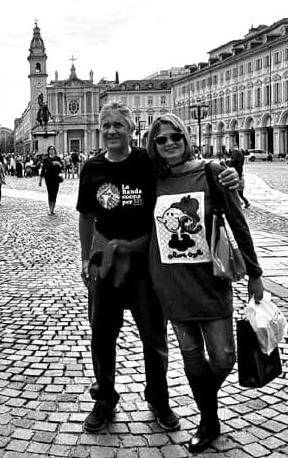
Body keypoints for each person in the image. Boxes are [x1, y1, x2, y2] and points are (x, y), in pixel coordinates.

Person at [77, 102, 239, 435]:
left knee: (154, 338)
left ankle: (159, 398)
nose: (111, 131)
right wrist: (84, 257)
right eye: (106, 125)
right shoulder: (91, 168)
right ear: (99, 129)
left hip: (146, 263)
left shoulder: (148, 164)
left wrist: (228, 174)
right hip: (105, 263)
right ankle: (105, 397)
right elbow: (86, 216)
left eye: (118, 125)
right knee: (102, 336)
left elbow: (187, 176)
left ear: (132, 130)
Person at [146, 113, 264, 453]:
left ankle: (205, 406)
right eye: (160, 139)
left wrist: (255, 274)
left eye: (175, 137)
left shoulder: (211, 173)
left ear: (185, 138)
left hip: (210, 282)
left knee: (224, 357)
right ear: (153, 146)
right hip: (170, 284)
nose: (169, 143)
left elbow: (238, 225)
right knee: (192, 356)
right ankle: (209, 421)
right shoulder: (152, 179)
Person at [39, 145, 63, 215]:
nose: (52, 151)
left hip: (56, 178)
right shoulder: (46, 160)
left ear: (55, 151)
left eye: (53, 149)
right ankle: (50, 209)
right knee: (50, 193)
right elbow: (43, 170)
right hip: (48, 178)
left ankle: (53, 209)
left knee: (55, 193)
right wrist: (40, 180)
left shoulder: (58, 158)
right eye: (50, 149)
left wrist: (58, 163)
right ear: (48, 151)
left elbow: (62, 167)